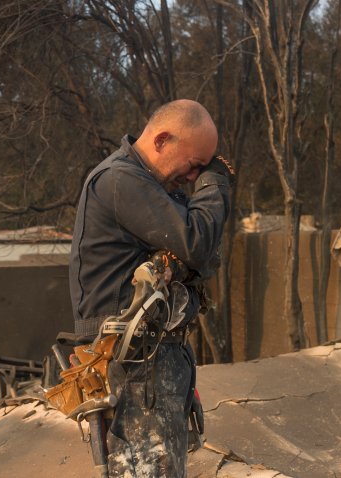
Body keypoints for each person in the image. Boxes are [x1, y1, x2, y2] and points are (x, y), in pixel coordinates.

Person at [69, 99, 233, 477]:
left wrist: (193, 254)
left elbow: (205, 259)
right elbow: (197, 243)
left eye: (201, 170)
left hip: (154, 361)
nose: (194, 177)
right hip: (136, 366)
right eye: (194, 165)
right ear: (161, 140)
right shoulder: (120, 181)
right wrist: (215, 183)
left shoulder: (150, 185)